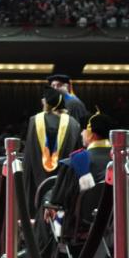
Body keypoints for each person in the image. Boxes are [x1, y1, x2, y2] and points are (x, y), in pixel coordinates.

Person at [42, 110, 115, 258]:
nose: (82, 134)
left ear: (91, 133)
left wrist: (49, 203)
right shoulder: (124, 163)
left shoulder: (75, 161)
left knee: (49, 208)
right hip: (115, 228)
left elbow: (59, 199)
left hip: (80, 231)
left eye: (83, 130)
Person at [23, 86, 82, 214]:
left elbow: (28, 158)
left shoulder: (34, 121)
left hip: (36, 183)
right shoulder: (73, 124)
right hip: (62, 186)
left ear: (47, 103)